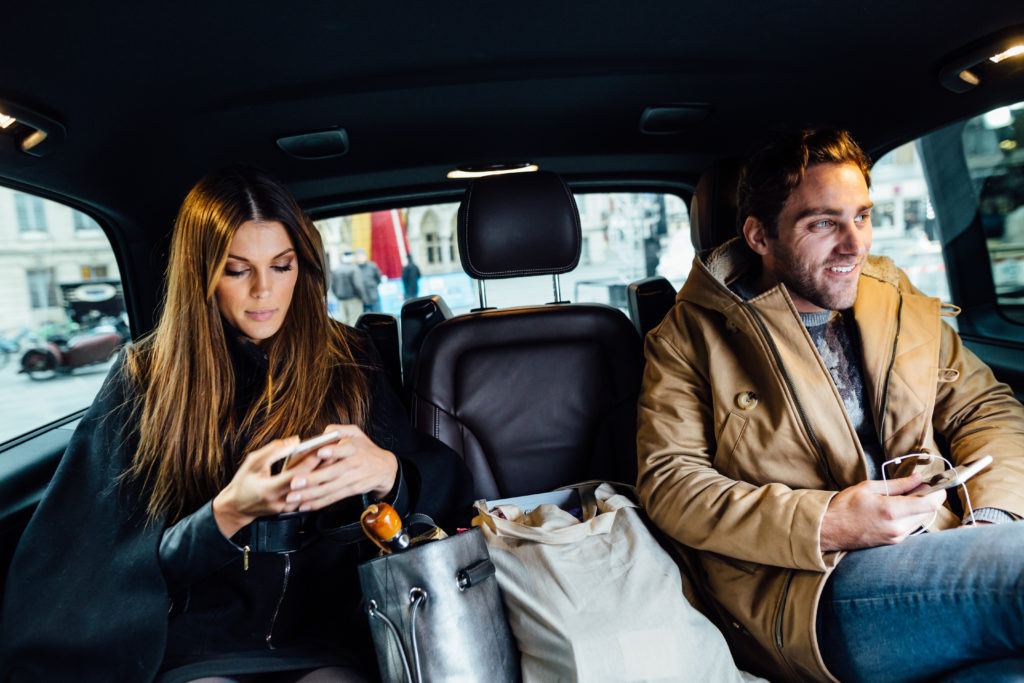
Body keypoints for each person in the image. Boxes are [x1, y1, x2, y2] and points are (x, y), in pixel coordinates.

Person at [0, 165, 474, 683]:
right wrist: (227, 513)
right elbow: (108, 572)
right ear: (201, 274)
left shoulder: (350, 358)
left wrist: (389, 472)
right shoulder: (145, 377)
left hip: (328, 636)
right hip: (198, 645)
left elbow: (447, 493)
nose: (264, 291)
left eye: (282, 265)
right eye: (236, 269)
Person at [636, 129, 1024, 682]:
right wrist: (829, 523)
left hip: (944, 537)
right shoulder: (688, 336)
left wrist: (991, 519)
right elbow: (672, 484)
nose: (854, 244)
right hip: (808, 589)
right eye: (823, 223)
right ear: (759, 237)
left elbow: (985, 409)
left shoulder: (895, 299)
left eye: (861, 216)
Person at [330, 251, 365, 325]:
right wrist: (362, 297)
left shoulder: (336, 269)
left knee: (343, 320)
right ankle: (354, 336)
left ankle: (345, 336)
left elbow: (333, 286)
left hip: (341, 299)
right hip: (354, 299)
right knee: (354, 320)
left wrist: (338, 296)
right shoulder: (354, 269)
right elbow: (358, 285)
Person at [354, 248, 382, 313]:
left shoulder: (372, 266)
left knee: (377, 316)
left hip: (373, 297)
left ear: (365, 256)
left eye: (362, 256)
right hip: (361, 299)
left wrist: (373, 285)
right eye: (358, 257)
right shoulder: (354, 268)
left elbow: (378, 278)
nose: (360, 258)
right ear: (356, 258)